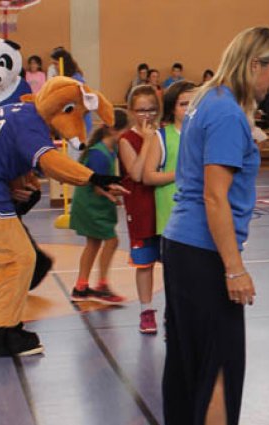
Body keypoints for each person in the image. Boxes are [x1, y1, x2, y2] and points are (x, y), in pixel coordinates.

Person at [161, 27, 269, 425]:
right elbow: (215, 197)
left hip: (182, 245)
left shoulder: (206, 99)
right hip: (204, 252)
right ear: (254, 65)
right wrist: (234, 267)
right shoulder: (227, 113)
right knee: (220, 363)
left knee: (186, 361)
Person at [70, 109, 129, 303]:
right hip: (91, 205)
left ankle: (81, 286)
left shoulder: (110, 150)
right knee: (112, 241)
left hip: (92, 204)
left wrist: (113, 190)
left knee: (93, 243)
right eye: (125, 131)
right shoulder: (99, 154)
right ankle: (102, 285)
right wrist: (113, 193)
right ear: (113, 130)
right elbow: (97, 188)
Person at [118, 84, 161, 332]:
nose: (148, 115)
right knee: (145, 264)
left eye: (152, 110)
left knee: (171, 262)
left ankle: (173, 312)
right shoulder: (127, 140)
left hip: (163, 208)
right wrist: (146, 142)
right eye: (142, 110)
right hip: (141, 209)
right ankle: (146, 311)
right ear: (132, 111)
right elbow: (135, 173)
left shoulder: (163, 134)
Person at [142, 80, 197, 240]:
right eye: (183, 104)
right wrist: (181, 173)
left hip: (199, 216)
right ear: (172, 108)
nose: (189, 108)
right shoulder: (162, 136)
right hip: (171, 219)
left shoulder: (205, 134)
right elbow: (148, 176)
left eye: (193, 103)